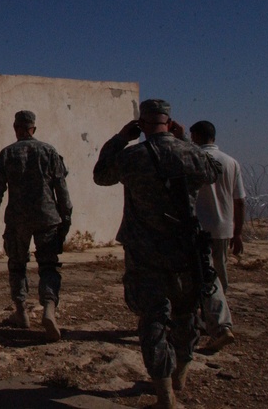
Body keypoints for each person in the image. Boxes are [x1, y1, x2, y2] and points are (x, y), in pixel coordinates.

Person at [94, 99, 221, 409]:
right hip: (184, 249)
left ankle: (164, 394)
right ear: (170, 121)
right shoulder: (189, 153)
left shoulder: (132, 156)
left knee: (152, 317)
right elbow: (214, 172)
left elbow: (101, 175)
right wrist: (184, 140)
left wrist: (122, 137)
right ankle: (181, 370)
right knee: (185, 312)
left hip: (145, 250)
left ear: (142, 123)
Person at [0, 110, 72, 342]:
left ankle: (22, 311)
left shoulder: (7, 154)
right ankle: (49, 309)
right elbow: (61, 188)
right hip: (47, 217)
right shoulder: (49, 151)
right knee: (49, 266)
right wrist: (66, 216)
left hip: (18, 218)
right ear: (33, 128)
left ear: (16, 128)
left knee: (17, 264)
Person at [189, 120, 246, 352]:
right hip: (223, 227)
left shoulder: (192, 159)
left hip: (199, 228)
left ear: (196, 136)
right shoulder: (231, 162)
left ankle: (215, 324)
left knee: (199, 276)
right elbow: (239, 200)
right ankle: (213, 319)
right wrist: (238, 231)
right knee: (219, 275)